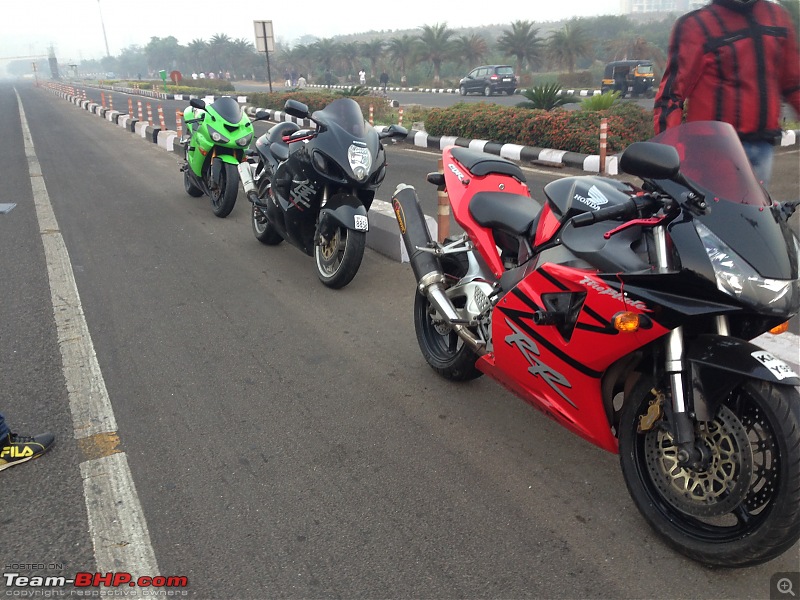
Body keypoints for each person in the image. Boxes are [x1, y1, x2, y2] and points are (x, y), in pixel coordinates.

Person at [653, 0, 800, 188]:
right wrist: (670, 157)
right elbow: (671, 96)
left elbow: (793, 84)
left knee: (756, 215)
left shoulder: (777, 17)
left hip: (763, 147)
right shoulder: (696, 26)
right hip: (713, 152)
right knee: (714, 215)